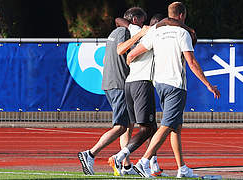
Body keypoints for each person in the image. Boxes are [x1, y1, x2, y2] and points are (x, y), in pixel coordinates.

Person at [126, 2, 221, 178]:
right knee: (167, 125)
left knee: (176, 127)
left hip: (159, 84)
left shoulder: (156, 31)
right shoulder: (182, 33)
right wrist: (208, 84)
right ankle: (144, 161)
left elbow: (132, 54)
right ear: (182, 16)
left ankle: (182, 168)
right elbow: (191, 62)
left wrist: (132, 68)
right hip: (175, 85)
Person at [77, 7, 147, 175]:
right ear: (135, 20)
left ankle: (126, 165)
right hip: (118, 84)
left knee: (128, 124)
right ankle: (90, 153)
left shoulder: (116, 32)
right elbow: (121, 49)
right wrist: (139, 35)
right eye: (142, 22)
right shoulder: (124, 32)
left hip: (114, 82)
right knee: (120, 127)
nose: (143, 25)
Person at [108, 14, 168, 177]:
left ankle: (152, 163)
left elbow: (119, 20)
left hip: (130, 84)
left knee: (150, 126)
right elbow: (129, 54)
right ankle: (120, 157)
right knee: (146, 128)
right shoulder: (156, 35)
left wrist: (140, 31)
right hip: (142, 83)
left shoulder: (138, 29)